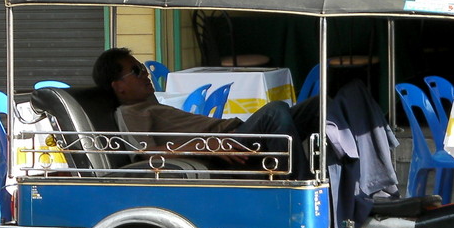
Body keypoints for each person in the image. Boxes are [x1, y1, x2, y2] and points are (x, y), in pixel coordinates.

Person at [93, 48, 318, 179]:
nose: (145, 74)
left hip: (234, 136)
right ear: (118, 86)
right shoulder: (129, 112)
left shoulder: (150, 105)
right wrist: (210, 145)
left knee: (318, 105)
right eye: (136, 71)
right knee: (275, 111)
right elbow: (146, 153)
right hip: (227, 145)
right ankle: (296, 187)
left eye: (142, 67)